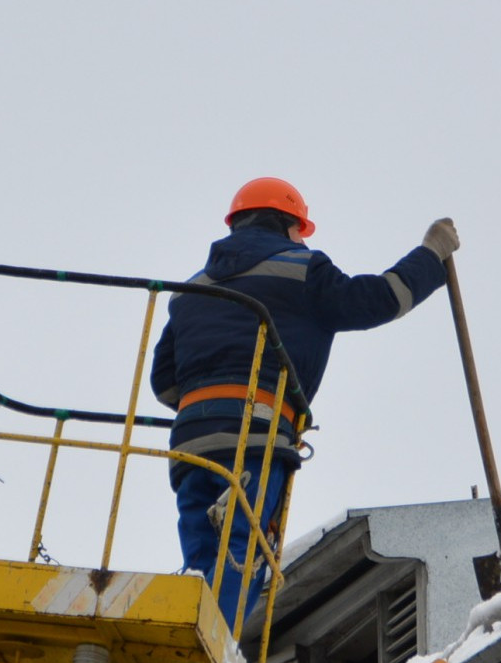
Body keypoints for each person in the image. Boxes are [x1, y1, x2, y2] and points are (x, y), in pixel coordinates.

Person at [150, 177, 458, 623]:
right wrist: (432, 255)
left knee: (201, 559)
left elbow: (164, 383)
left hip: (190, 441)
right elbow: (380, 300)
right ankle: (214, 646)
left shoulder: (189, 291)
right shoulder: (302, 268)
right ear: (290, 226)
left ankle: (187, 632)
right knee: (243, 550)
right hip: (256, 435)